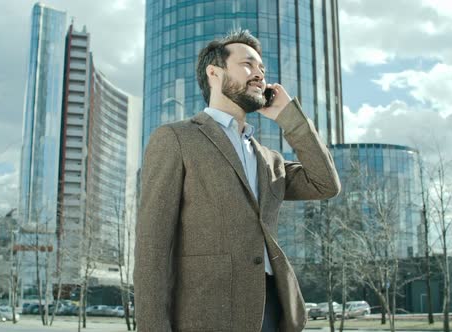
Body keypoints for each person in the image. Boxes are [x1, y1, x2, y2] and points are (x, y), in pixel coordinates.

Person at [134, 29, 341, 332]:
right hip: (205, 315)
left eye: (262, 69)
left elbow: (326, 183)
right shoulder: (177, 138)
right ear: (214, 73)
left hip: (271, 310)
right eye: (247, 65)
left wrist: (290, 118)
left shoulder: (268, 160)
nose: (259, 74)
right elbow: (152, 246)